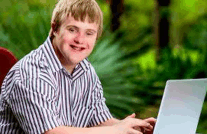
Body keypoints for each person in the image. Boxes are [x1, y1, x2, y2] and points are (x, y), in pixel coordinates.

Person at [0, 0, 156, 133]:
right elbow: (50, 132)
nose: (80, 40)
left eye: (89, 33)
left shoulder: (85, 70)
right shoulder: (30, 74)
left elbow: (99, 120)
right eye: (72, 29)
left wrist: (132, 127)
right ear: (55, 28)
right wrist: (115, 130)